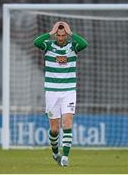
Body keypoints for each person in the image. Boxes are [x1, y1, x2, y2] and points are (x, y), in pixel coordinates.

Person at [33, 21, 88, 166]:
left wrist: (71, 33)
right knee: (54, 129)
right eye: (59, 35)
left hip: (69, 91)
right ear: (55, 35)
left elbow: (84, 44)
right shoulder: (49, 46)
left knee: (67, 122)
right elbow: (36, 42)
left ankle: (65, 157)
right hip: (51, 92)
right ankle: (55, 152)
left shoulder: (73, 47)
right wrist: (51, 32)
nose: (61, 38)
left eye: (64, 35)